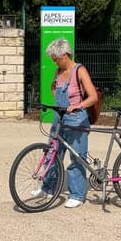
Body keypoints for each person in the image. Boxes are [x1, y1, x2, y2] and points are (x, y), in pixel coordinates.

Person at [34, 37, 98, 208]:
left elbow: (93, 97)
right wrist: (59, 104)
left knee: (77, 157)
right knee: (52, 153)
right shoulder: (58, 72)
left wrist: (77, 105)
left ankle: (77, 194)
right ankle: (48, 188)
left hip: (77, 119)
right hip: (59, 117)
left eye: (55, 58)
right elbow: (54, 87)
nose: (54, 61)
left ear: (65, 55)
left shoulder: (79, 70)